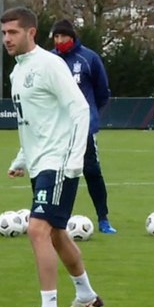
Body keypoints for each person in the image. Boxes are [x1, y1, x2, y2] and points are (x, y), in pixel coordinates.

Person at [1, 7, 105, 307]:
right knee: (57, 234)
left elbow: (79, 109)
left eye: (13, 32)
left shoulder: (50, 64)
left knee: (36, 229)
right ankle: (87, 295)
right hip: (40, 162)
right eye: (4, 33)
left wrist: (73, 158)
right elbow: (33, 122)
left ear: (31, 32)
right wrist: (22, 157)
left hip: (58, 161)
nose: (7, 39)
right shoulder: (17, 73)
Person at [50, 19, 116, 234]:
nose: (60, 41)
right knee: (57, 173)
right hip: (57, 128)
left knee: (91, 171)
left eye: (63, 36)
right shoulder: (49, 60)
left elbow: (102, 92)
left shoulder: (88, 58)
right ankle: (55, 219)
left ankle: (103, 218)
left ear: (72, 36)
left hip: (83, 127)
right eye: (56, 37)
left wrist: (89, 114)